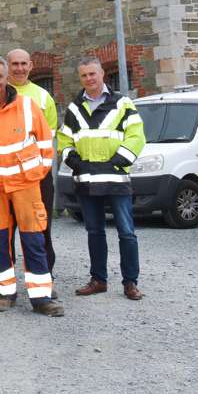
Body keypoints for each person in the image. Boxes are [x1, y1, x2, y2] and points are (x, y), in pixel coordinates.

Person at [0, 57, 63, 317]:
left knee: (34, 241)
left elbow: (45, 144)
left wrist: (36, 173)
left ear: (6, 77)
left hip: (26, 186)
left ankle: (41, 297)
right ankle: (5, 291)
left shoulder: (27, 105)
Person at [57, 56, 147, 301]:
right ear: (80, 78)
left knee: (127, 232)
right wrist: (75, 163)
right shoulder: (74, 109)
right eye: (84, 75)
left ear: (102, 74)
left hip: (116, 178)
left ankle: (130, 283)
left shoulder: (123, 103)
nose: (89, 78)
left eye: (92, 74)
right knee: (94, 232)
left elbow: (136, 137)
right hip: (87, 180)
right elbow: (64, 141)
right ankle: (98, 280)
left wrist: (118, 161)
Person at [7, 48, 59, 290]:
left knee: (41, 226)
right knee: (5, 233)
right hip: (4, 177)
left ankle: (44, 277)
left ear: (31, 66)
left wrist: (39, 169)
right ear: (8, 66)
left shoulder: (42, 97)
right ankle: (7, 284)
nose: (19, 68)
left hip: (37, 176)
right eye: (14, 64)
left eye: (23, 64)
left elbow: (48, 138)